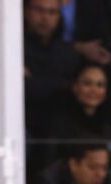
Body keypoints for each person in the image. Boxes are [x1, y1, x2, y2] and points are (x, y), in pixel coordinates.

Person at [23, 0, 79, 137]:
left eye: (52, 12)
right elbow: (22, 90)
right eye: (39, 10)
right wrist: (58, 83)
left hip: (59, 129)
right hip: (23, 125)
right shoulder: (14, 48)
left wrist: (34, 80)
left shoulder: (67, 52)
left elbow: (71, 91)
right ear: (25, 12)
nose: (45, 17)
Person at [43, 61, 111, 165]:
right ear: (75, 87)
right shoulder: (59, 124)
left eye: (100, 85)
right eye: (87, 83)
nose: (94, 90)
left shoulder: (108, 128)